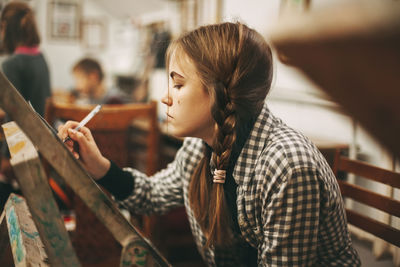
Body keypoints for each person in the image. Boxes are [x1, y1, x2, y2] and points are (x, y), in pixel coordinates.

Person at [58, 22, 361, 266]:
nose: (165, 97)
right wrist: (98, 166)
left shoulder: (287, 166)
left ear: (221, 90)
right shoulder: (197, 148)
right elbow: (151, 195)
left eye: (178, 85)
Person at [0, 1, 51, 210]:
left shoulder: (11, 64)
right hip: (40, 147)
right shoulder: (40, 58)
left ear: (6, 28)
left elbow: (15, 117)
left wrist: (5, 157)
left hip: (20, 151)